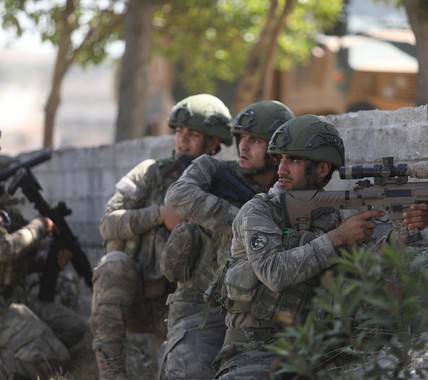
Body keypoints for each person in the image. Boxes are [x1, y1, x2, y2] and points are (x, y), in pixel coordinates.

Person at [212, 114, 428, 379]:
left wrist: (402, 235)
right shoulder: (258, 210)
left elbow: (362, 276)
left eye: (293, 160)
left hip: (317, 348)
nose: (281, 169)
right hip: (254, 349)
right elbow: (273, 273)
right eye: (280, 159)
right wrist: (338, 237)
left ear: (322, 169)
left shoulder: (329, 216)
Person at [89, 93, 233, 380]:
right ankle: (112, 374)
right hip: (140, 298)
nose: (182, 140)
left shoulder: (225, 183)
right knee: (113, 263)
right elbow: (108, 223)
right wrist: (160, 214)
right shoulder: (149, 173)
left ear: (214, 142)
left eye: (192, 134)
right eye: (179, 132)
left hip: (190, 308)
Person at [159, 100, 295, 380]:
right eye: (241, 138)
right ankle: (175, 350)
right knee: (191, 372)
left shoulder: (288, 193)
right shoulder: (212, 169)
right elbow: (178, 195)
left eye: (255, 140)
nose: (243, 146)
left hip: (256, 311)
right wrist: (245, 222)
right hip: (200, 302)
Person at [0, 157, 86, 379]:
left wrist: (46, 263)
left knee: (74, 328)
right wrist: (40, 226)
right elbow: (5, 249)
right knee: (56, 360)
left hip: (12, 300)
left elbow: (14, 261)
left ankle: (26, 347)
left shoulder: (6, 211)